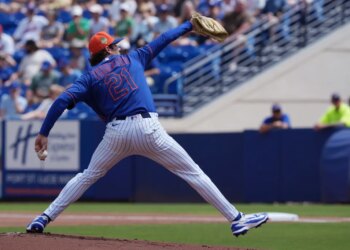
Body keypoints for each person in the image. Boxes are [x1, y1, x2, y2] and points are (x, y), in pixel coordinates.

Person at [26, 16, 268, 236]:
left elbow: (61, 100)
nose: (119, 46)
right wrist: (189, 26)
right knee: (192, 172)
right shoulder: (133, 58)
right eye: (115, 44)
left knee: (87, 176)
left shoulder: (88, 77)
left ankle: (43, 217)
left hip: (116, 133)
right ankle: (236, 219)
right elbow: (163, 39)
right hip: (148, 129)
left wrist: (44, 132)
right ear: (109, 49)